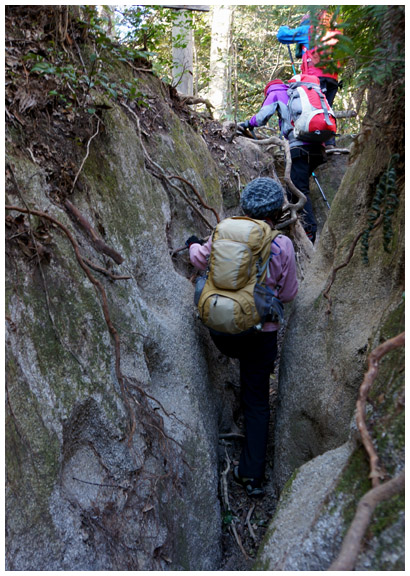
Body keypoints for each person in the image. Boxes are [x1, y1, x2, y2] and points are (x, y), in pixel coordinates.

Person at [186, 177, 298, 497]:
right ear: (277, 214)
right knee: (257, 402)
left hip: (220, 332)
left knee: (234, 347)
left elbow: (198, 258)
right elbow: (289, 294)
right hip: (258, 337)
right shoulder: (283, 245)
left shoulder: (224, 230)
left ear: (244, 207)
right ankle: (251, 475)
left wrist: (193, 242)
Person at [239, 78, 326, 243]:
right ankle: (299, 225)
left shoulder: (275, 92)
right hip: (318, 147)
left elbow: (261, 118)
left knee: (299, 189)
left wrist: (247, 123)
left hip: (299, 147)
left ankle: (308, 231)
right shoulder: (296, 92)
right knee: (296, 186)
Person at [277, 9, 342, 145]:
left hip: (314, 79)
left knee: (313, 109)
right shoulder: (336, 35)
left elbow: (282, 36)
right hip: (333, 79)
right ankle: (329, 143)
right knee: (327, 109)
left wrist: (285, 27)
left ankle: (313, 143)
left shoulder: (308, 31)